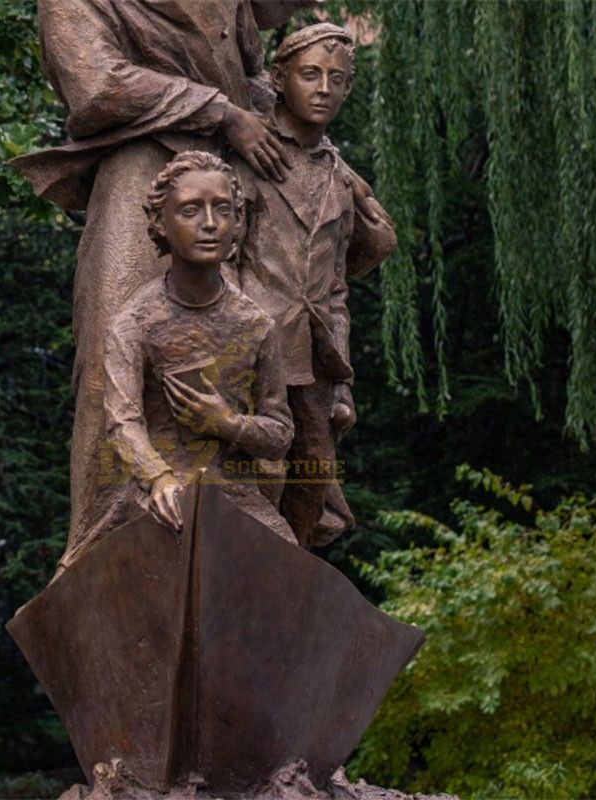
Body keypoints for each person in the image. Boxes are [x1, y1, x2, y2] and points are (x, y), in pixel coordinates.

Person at [10, 0, 313, 571]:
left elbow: (250, 70)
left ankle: (255, 558)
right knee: (112, 360)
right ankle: (103, 561)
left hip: (236, 183)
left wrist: (281, 132)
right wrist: (220, 111)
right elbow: (96, 84)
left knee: (264, 355)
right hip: (142, 175)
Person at [68, 150, 296, 564]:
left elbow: (280, 434)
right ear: (160, 223)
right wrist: (157, 478)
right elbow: (122, 421)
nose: (210, 224)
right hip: (154, 496)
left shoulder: (257, 326)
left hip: (234, 498)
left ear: (237, 223)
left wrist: (228, 424)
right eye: (191, 210)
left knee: (286, 573)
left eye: (222, 210)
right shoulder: (133, 325)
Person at [230, 23, 398, 549]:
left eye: (338, 79)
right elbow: (225, 260)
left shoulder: (338, 176)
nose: (324, 88)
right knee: (258, 476)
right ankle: (243, 584)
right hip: (256, 345)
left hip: (316, 356)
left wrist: (342, 376)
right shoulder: (250, 158)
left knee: (314, 472)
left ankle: (289, 589)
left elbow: (337, 287)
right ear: (279, 78)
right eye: (311, 75)